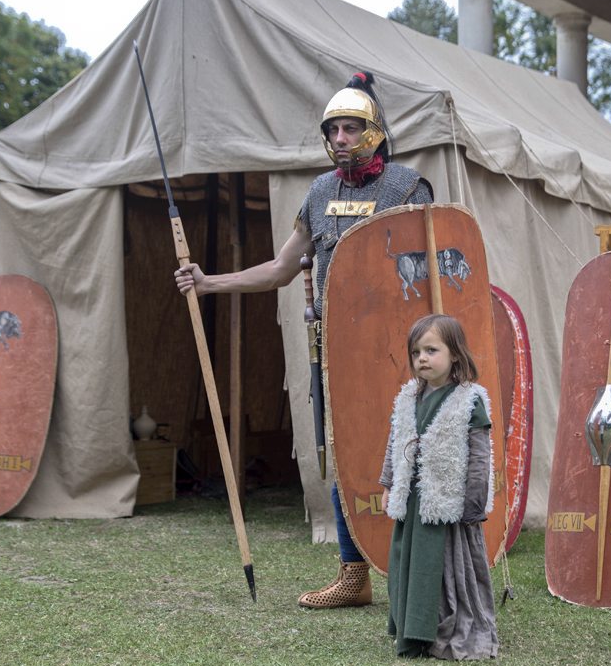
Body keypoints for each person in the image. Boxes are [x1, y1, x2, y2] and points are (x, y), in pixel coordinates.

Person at [175, 71, 433, 609]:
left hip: (397, 347)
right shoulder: (319, 192)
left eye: (351, 127)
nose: (340, 138)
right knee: (343, 454)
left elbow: (433, 271)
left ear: (376, 131)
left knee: (408, 451)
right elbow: (280, 268)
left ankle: (418, 566)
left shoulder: (409, 188)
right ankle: (352, 573)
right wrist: (209, 283)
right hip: (335, 348)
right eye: (333, 128)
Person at [379, 314, 499, 660]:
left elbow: (479, 457)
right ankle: (411, 627)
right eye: (416, 352)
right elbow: (395, 441)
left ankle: (443, 626)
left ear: (456, 355)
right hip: (414, 501)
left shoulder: (468, 399)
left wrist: (473, 506)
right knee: (410, 562)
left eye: (431, 350)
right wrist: (388, 482)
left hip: (447, 505)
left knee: (443, 567)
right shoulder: (408, 397)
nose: (422, 359)